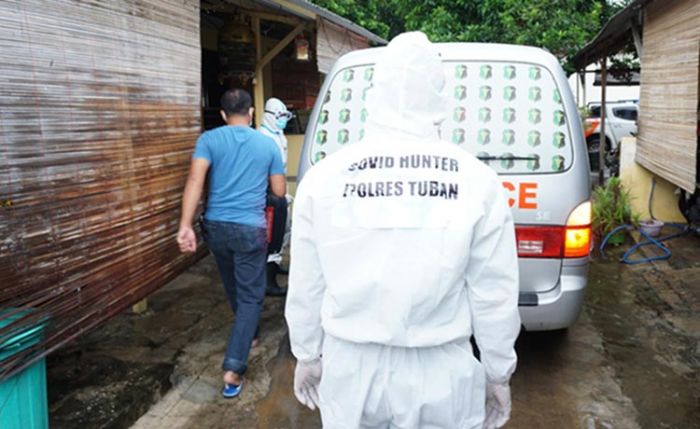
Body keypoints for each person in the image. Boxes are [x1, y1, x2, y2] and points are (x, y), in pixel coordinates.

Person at [285, 32, 521, 429]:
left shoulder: (324, 179)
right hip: (442, 372)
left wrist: (306, 354)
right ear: (439, 97)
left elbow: (308, 282)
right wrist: (498, 372)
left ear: (375, 94)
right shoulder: (476, 180)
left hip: (351, 370)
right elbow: (493, 292)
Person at [177, 89, 285, 399]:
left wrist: (185, 226)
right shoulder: (267, 145)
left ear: (223, 114)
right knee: (251, 296)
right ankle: (234, 368)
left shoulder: (208, 140)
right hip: (250, 228)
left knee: (234, 285)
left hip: (217, 228)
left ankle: (248, 334)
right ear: (251, 112)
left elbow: (195, 182)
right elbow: (278, 191)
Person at [259, 98, 294, 296]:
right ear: (269, 115)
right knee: (271, 237)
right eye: (279, 116)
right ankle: (268, 281)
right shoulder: (262, 137)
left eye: (284, 116)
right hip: (270, 195)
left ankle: (277, 265)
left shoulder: (279, 135)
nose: (282, 120)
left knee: (284, 232)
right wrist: (277, 194)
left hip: (281, 190)